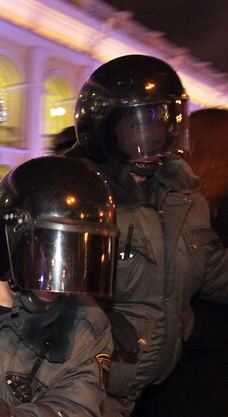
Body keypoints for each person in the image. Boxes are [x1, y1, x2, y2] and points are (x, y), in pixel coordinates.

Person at [65, 54, 228, 416]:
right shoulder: (77, 199)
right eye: (139, 125)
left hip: (151, 388)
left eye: (163, 123)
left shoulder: (181, 197)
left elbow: (210, 266)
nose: (154, 136)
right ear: (106, 127)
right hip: (87, 390)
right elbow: (43, 302)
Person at [0, 156, 115, 417]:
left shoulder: (85, 326)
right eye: (49, 250)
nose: (63, 270)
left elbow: (75, 407)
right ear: (11, 240)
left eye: (78, 255)